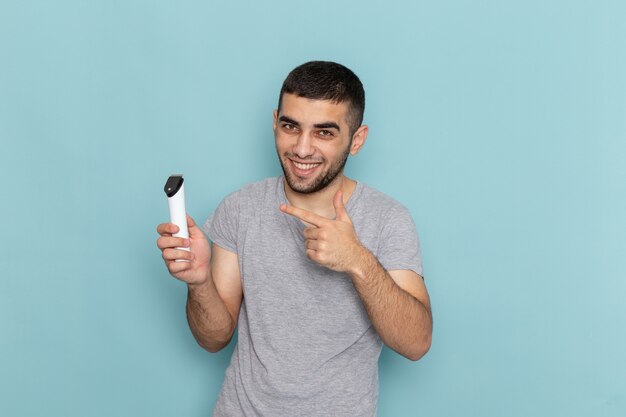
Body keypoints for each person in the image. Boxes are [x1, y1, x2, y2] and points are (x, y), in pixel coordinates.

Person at [156, 61, 432, 417]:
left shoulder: (388, 219)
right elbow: (213, 339)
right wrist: (198, 282)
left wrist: (357, 260)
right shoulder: (240, 208)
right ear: (275, 122)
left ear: (357, 139)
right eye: (291, 127)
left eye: (324, 133)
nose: (302, 149)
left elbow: (416, 344)